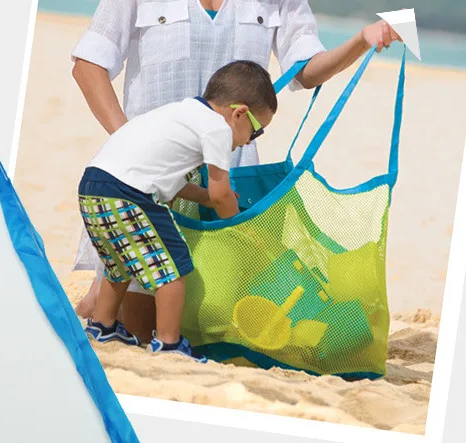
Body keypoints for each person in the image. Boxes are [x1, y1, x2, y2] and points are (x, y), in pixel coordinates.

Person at [70, 0, 401, 342]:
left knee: (213, 323)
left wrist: (362, 39)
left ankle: (104, 310)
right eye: (256, 131)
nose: (254, 136)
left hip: (226, 179)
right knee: (143, 324)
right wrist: (133, 144)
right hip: (146, 191)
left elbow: (306, 69)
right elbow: (88, 63)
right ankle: (112, 311)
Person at [79, 60, 277, 362]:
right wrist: (237, 228)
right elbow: (222, 194)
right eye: (256, 131)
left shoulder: (184, 112)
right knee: (173, 265)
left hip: (94, 186)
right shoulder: (218, 129)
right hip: (130, 194)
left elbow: (171, 181)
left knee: (119, 262)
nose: (250, 141)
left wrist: (204, 198)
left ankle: (103, 326)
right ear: (238, 113)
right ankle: (169, 342)